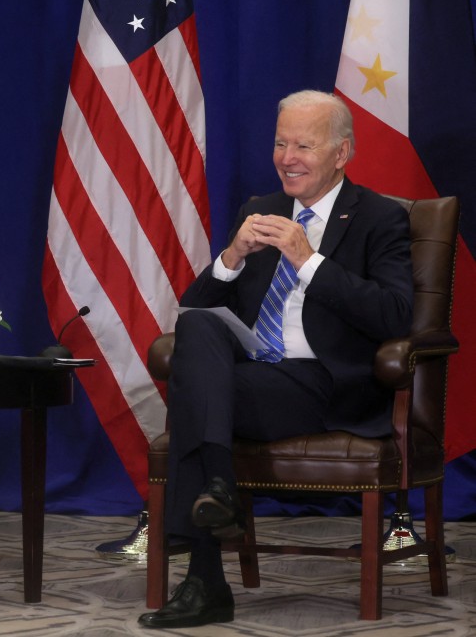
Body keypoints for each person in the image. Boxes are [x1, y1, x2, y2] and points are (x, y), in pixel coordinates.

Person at [137, 90, 414, 629]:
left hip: (323, 382)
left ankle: (205, 580)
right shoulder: (258, 210)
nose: (288, 157)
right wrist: (232, 256)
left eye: (304, 145)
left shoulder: (379, 219)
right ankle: (219, 492)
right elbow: (198, 311)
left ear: (342, 153)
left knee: (197, 399)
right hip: (253, 375)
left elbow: (396, 315)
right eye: (280, 143)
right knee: (197, 325)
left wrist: (309, 261)